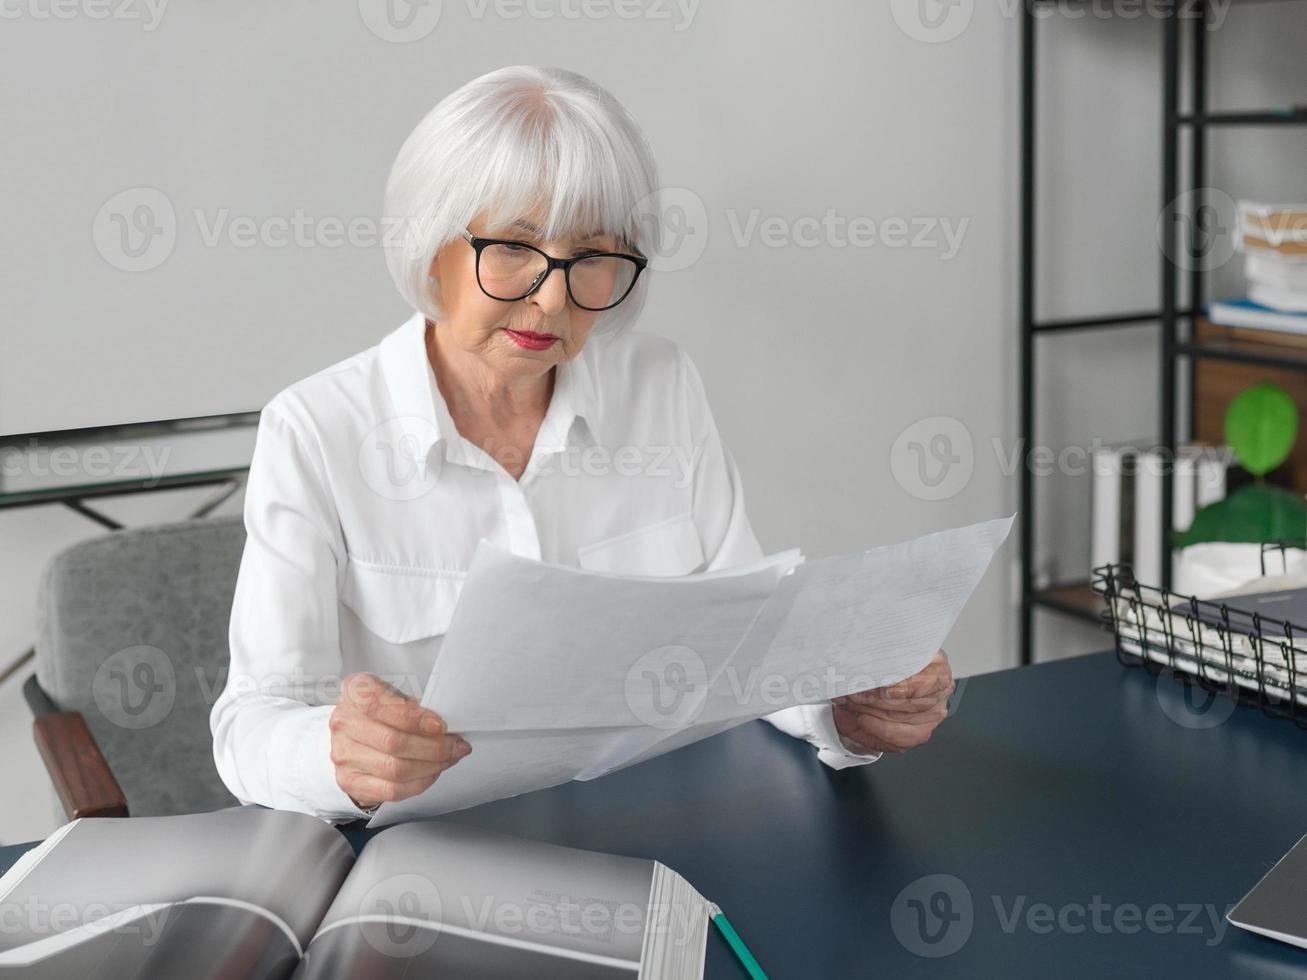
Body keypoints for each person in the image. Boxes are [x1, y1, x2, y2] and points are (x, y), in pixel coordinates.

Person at [210, 65, 954, 821]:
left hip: (661, 820)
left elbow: (744, 646)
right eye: (512, 248)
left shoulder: (661, 385)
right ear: (430, 243)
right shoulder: (316, 429)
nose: (551, 297)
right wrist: (341, 758)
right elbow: (253, 723)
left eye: (593, 257)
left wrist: (841, 712)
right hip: (426, 855)